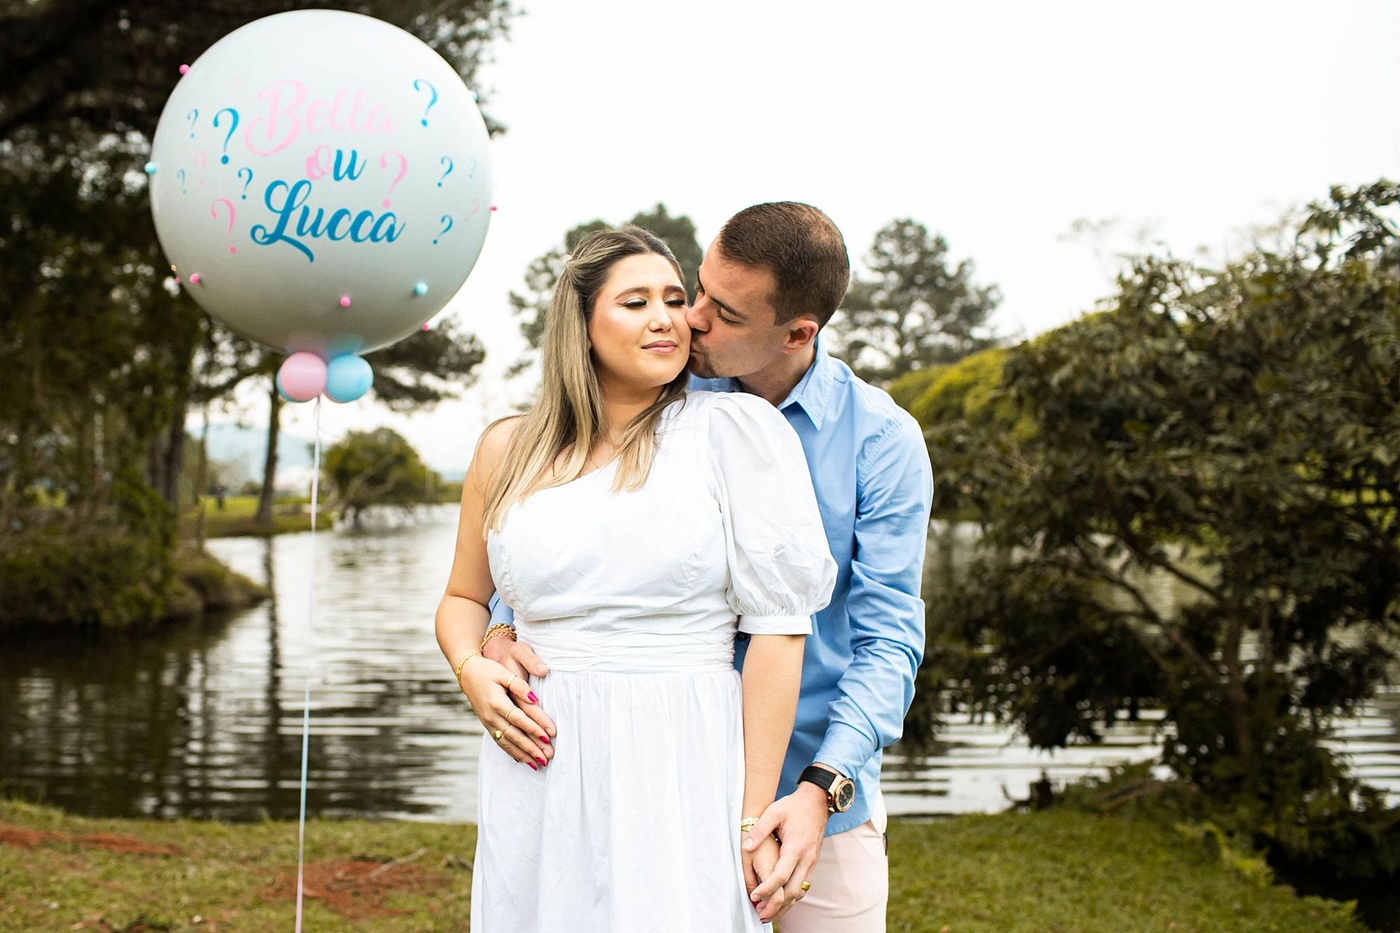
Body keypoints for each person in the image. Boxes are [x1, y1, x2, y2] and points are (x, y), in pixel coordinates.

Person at [487, 203, 934, 931]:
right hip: (668, 782)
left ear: (797, 333)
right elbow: (576, 536)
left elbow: (887, 638)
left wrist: (820, 788)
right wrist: (501, 629)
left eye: (722, 313)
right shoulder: (663, 394)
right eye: (698, 289)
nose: (689, 319)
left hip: (813, 782)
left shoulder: (880, 440)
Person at [435, 226, 837, 933]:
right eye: (636, 301)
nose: (667, 318)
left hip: (682, 751)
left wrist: (752, 816)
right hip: (540, 756)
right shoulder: (506, 449)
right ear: (582, 324)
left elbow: (778, 633)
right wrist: (472, 667)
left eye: (676, 299)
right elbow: (464, 598)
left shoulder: (736, 431)